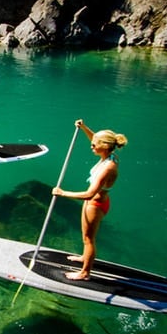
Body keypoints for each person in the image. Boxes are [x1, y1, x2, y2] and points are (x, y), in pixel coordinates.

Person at [52, 119, 128, 280]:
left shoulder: (108, 167)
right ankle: (84, 257)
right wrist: (84, 128)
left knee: (89, 240)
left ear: (104, 146)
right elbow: (95, 138)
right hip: (94, 202)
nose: (91, 146)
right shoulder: (110, 155)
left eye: (94, 145)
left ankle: (85, 273)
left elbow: (89, 194)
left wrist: (62, 193)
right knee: (85, 237)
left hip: (96, 204)